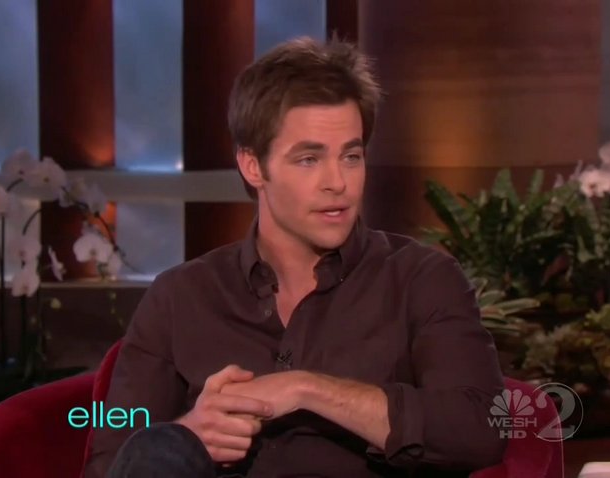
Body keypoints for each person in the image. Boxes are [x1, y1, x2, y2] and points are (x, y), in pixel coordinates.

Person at [85, 37, 506, 478]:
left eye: (351, 156)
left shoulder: (423, 278)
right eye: (308, 159)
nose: (337, 182)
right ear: (253, 166)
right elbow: (113, 455)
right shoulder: (180, 295)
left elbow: (481, 428)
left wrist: (307, 388)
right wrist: (193, 433)